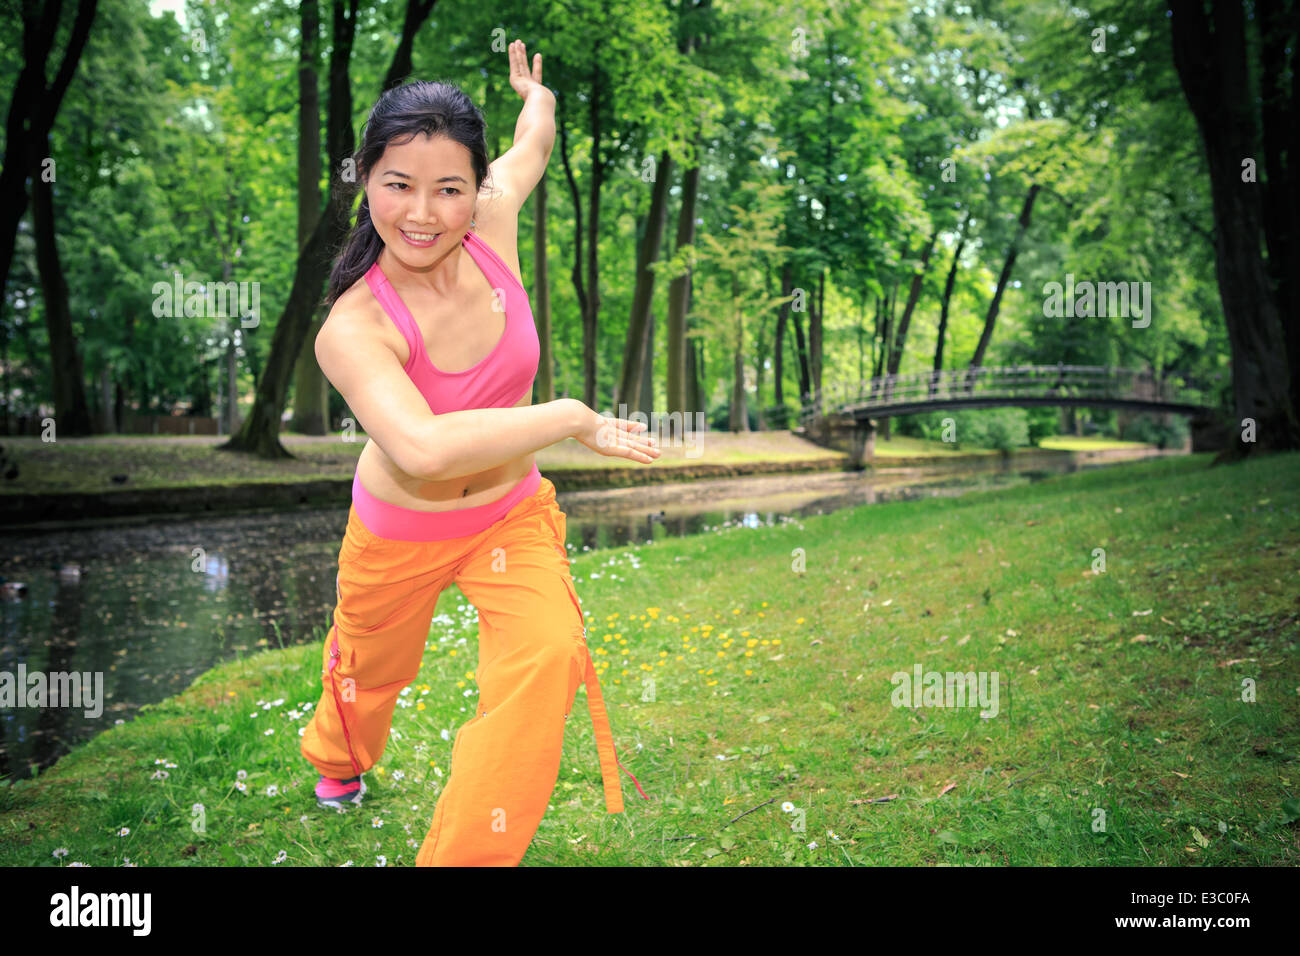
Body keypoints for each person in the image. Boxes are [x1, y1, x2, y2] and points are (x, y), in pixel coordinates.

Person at [300, 41, 659, 866]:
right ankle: (337, 757)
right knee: (370, 671)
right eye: (397, 185)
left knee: (547, 655)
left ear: (475, 192)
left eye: (448, 189)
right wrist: (567, 415)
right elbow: (422, 448)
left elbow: (534, 138)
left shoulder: (494, 222)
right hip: (400, 529)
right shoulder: (354, 327)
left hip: (508, 514)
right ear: (365, 179)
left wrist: (538, 94)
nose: (422, 213)